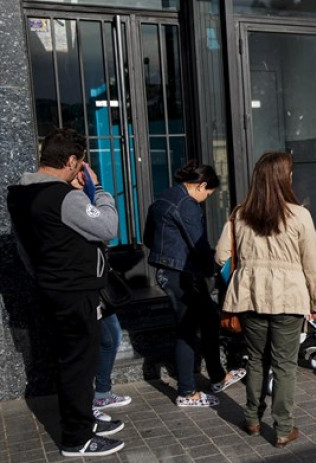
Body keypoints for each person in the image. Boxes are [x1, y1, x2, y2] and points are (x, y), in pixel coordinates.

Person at [6, 128, 125, 456]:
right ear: (72, 161)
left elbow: (24, 247)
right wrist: (97, 189)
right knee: (79, 363)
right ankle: (77, 437)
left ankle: (84, 420)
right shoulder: (64, 197)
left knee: (74, 360)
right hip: (75, 292)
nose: (81, 169)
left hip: (52, 288)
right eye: (81, 163)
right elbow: (107, 226)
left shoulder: (19, 194)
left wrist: (45, 276)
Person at [215, 151, 316, 447]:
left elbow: (220, 255)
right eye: (289, 173)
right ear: (283, 178)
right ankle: (283, 428)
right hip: (288, 297)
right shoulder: (300, 215)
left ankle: (252, 418)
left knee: (256, 360)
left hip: (250, 295)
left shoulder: (239, 214)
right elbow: (312, 264)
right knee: (285, 364)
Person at [144, 161, 246, 408]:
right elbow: (198, 244)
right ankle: (187, 392)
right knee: (188, 330)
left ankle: (217, 376)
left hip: (171, 271)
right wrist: (215, 269)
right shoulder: (187, 204)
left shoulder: (163, 198)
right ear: (201, 185)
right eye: (208, 194)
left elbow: (148, 236)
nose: (205, 199)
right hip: (182, 274)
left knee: (209, 319)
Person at [71, 173, 133, 418]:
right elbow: (107, 228)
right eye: (80, 173)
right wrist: (96, 186)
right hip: (87, 285)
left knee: (110, 337)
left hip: (94, 281)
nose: (81, 178)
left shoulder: (76, 199)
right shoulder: (72, 200)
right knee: (106, 339)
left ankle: (102, 392)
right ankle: (99, 395)